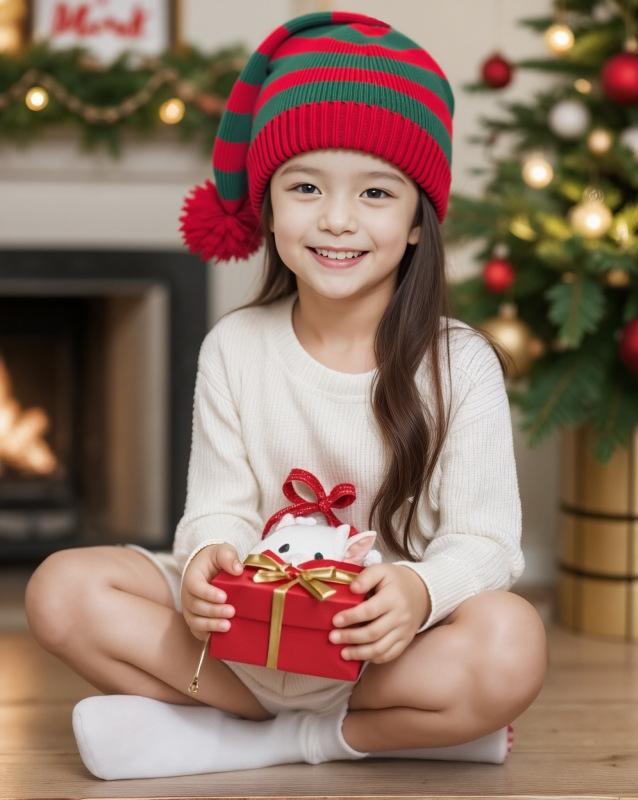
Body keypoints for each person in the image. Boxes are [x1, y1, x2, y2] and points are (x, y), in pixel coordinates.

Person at [25, 11, 547, 781]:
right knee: (60, 591)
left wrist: (416, 587)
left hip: (378, 646)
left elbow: (489, 541)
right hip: (246, 637)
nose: (337, 218)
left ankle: (258, 740)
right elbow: (218, 507)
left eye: (375, 192)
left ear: (415, 223)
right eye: (306, 187)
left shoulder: (459, 365)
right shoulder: (236, 348)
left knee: (512, 641)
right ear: (268, 207)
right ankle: (374, 732)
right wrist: (207, 559)